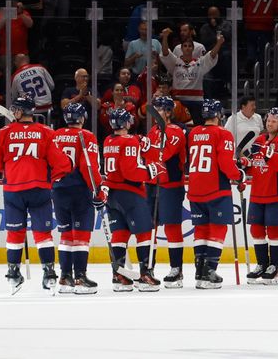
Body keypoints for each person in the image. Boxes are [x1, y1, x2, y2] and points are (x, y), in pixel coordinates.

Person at [0, 95, 72, 294]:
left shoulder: (4, 132)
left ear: (20, 111)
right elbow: (63, 164)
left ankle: (13, 273)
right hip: (39, 189)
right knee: (43, 234)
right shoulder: (46, 132)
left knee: (14, 234)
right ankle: (49, 274)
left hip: (13, 190)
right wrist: (50, 178)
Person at [100, 108, 165, 292]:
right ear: (126, 122)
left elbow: (127, 151)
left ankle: (119, 275)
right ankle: (145, 275)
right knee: (145, 233)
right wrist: (154, 169)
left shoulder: (108, 140)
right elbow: (131, 172)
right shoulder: (128, 142)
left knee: (120, 234)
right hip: (130, 194)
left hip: (113, 195)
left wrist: (141, 141)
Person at [186, 99, 246, 289]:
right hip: (216, 189)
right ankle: (209, 270)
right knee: (218, 229)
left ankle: (200, 271)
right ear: (218, 114)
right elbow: (226, 165)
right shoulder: (223, 134)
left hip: (195, 189)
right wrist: (239, 175)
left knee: (201, 229)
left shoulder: (194, 133)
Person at [51, 103, 102, 294]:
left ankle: (65, 278)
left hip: (58, 190)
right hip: (79, 190)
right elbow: (88, 167)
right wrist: (98, 191)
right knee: (81, 236)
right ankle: (80, 277)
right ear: (82, 118)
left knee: (65, 235)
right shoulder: (86, 136)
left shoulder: (55, 135)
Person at [243, 108, 278, 285]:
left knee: (274, 230)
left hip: (276, 192)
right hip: (258, 192)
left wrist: (268, 152)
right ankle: (262, 264)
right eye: (268, 120)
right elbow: (254, 164)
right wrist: (244, 163)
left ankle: (274, 267)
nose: (269, 123)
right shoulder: (260, 140)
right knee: (256, 230)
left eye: (274, 120)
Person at [142, 96, 187, 287]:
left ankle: (176, 269)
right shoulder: (153, 131)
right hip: (152, 183)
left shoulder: (175, 131)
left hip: (170, 185)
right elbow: (146, 156)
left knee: (171, 227)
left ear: (168, 112)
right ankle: (148, 267)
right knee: (150, 227)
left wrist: (148, 148)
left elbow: (164, 154)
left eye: (160, 109)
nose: (156, 113)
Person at [160, 28, 224, 124]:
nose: (187, 48)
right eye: (185, 46)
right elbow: (166, 53)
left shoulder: (199, 63)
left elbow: (211, 55)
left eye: (190, 46)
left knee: (197, 127)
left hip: (196, 102)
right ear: (181, 48)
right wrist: (165, 37)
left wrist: (219, 43)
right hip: (179, 102)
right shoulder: (175, 62)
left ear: (193, 48)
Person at [243, 0, 278, 66]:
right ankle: (263, 66)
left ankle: (251, 58)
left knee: (251, 44)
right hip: (266, 24)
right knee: (264, 47)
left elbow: (245, 4)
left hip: (251, 23)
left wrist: (246, 18)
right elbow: (277, 8)